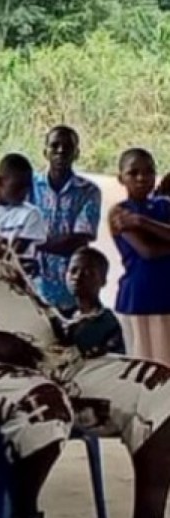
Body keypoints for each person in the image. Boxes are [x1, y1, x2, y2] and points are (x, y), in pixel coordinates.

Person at [0, 156, 170, 518]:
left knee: (160, 385)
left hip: (52, 355)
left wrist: (73, 327)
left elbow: (34, 302)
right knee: (47, 404)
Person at [110, 148, 170, 365]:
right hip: (139, 300)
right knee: (146, 367)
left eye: (148, 172)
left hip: (166, 295)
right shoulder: (119, 212)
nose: (142, 178)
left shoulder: (164, 206)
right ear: (121, 178)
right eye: (133, 173)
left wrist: (142, 222)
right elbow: (148, 252)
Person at [32, 126, 102, 311]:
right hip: (32, 286)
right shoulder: (29, 186)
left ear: (76, 153)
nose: (61, 151)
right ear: (45, 152)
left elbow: (79, 240)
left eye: (68, 147)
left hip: (71, 289)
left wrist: (33, 243)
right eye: (55, 145)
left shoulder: (88, 191)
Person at [0, 153, 48, 264]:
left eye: (27, 186)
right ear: (0, 182)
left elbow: (12, 254)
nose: (24, 192)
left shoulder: (31, 214)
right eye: (18, 187)